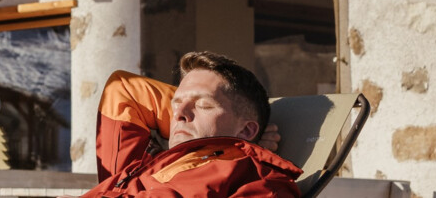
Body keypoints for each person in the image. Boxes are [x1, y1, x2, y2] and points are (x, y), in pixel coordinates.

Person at [82, 51, 299, 198]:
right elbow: (124, 89)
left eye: (204, 105)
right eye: (175, 104)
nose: (179, 115)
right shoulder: (146, 166)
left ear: (246, 129)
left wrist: (238, 142)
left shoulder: (259, 181)